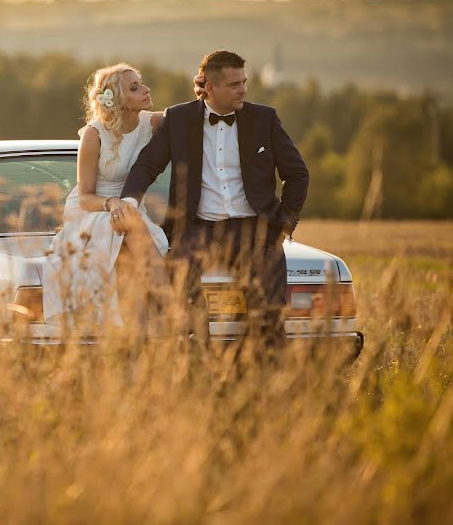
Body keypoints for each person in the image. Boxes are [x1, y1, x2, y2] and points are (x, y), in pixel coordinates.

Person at [114, 50, 309, 341]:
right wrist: (129, 200)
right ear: (210, 88)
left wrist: (283, 224)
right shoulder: (179, 119)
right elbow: (148, 164)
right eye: (234, 85)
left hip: (255, 229)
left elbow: (297, 174)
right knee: (182, 292)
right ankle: (197, 361)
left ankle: (265, 373)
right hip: (198, 229)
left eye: (244, 82)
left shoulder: (264, 119)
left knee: (268, 311)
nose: (243, 89)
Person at [42, 63, 169, 327]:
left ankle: (136, 335)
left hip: (130, 209)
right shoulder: (94, 134)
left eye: (142, 83)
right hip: (93, 211)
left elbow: (187, 117)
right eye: (135, 88)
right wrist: (112, 203)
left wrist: (202, 87)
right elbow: (86, 197)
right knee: (128, 222)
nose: (145, 90)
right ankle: (172, 307)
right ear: (119, 100)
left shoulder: (152, 122)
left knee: (130, 236)